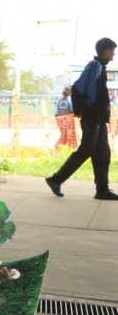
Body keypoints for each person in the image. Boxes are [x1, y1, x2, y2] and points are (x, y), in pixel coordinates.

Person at [45, 37, 118, 200]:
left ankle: (102, 189)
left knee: (103, 152)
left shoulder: (99, 67)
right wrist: (81, 111)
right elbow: (78, 88)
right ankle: (55, 179)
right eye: (113, 51)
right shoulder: (94, 66)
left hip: (98, 119)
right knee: (86, 151)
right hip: (92, 118)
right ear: (107, 51)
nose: (114, 54)